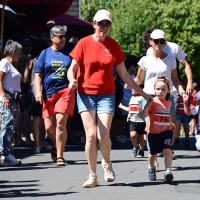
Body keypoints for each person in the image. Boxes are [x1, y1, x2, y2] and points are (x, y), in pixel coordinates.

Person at [67, 9, 152, 188]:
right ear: (94, 24)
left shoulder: (113, 46)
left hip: (106, 94)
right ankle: (92, 175)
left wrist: (143, 93)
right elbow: (71, 68)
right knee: (90, 136)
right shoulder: (83, 43)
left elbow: (124, 75)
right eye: (101, 23)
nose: (104, 27)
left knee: (103, 135)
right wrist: (71, 79)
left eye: (108, 24)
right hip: (85, 93)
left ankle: (106, 163)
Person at [143, 28, 193, 147]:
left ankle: (168, 144)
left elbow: (185, 65)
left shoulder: (174, 48)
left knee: (170, 117)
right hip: (153, 91)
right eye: (156, 41)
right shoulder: (149, 52)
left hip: (171, 89)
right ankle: (156, 149)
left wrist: (189, 82)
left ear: (165, 41)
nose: (159, 43)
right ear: (151, 41)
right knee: (153, 121)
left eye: (161, 41)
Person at [34, 25, 75, 166]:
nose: (64, 39)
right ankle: (57, 146)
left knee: (60, 123)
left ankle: (60, 156)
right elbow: (38, 75)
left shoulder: (71, 53)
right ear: (52, 38)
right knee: (49, 128)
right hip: (48, 94)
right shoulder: (44, 54)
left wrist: (73, 83)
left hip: (65, 91)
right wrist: (38, 92)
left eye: (65, 36)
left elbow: (77, 70)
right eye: (60, 36)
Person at [142, 76, 176, 181]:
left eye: (163, 89)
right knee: (153, 154)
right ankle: (151, 167)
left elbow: (164, 116)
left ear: (168, 91)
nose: (160, 91)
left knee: (167, 151)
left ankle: (168, 171)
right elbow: (144, 115)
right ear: (154, 89)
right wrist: (147, 106)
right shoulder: (153, 102)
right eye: (158, 89)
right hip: (153, 132)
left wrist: (170, 123)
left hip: (166, 131)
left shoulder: (169, 103)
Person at [0, 40, 23, 166]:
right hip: (7, 100)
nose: (20, 55)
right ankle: (5, 154)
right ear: (14, 51)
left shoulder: (11, 65)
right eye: (19, 52)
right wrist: (4, 96)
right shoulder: (4, 62)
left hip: (13, 100)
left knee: (9, 127)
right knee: (7, 126)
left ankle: (6, 154)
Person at [14, 38, 33, 148]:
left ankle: (17, 138)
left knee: (19, 113)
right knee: (25, 113)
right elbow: (26, 78)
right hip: (24, 88)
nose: (28, 47)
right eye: (26, 45)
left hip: (17, 87)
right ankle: (27, 138)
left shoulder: (16, 58)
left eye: (30, 45)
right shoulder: (25, 58)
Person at [119, 84, 146, 157]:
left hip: (141, 121)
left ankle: (141, 150)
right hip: (132, 120)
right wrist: (121, 106)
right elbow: (130, 109)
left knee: (141, 137)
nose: (132, 90)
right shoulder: (132, 98)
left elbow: (146, 109)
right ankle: (136, 147)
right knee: (132, 135)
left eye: (134, 88)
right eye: (132, 88)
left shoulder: (143, 98)